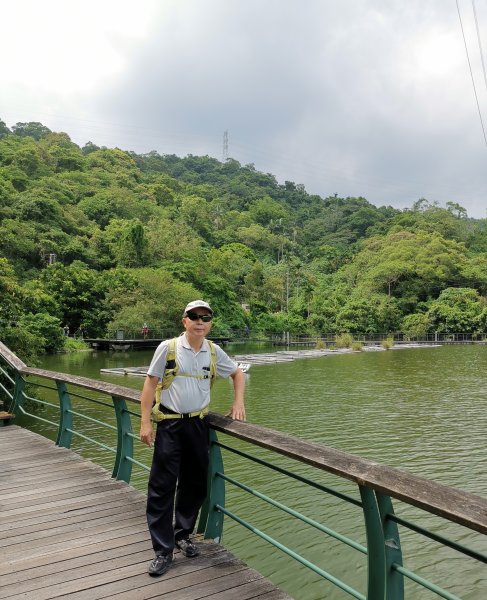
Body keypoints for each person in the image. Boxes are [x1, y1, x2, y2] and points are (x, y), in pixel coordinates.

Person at [139, 300, 246, 577]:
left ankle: (182, 535)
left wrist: (238, 402)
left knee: (195, 484)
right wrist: (144, 422)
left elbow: (237, 373)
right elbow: (150, 383)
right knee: (162, 487)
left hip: (199, 424)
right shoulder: (169, 347)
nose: (200, 322)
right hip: (170, 424)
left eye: (205, 317)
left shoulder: (214, 351)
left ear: (210, 323)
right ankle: (162, 550)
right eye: (194, 317)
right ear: (184, 320)